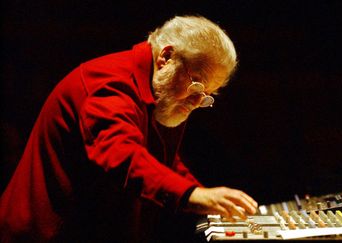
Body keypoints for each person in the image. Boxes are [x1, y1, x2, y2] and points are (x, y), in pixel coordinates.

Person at [0, 15, 258, 242]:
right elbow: (121, 156)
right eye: (197, 87)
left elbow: (158, 160)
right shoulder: (111, 83)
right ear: (166, 57)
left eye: (207, 96)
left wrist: (204, 198)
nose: (196, 103)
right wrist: (194, 195)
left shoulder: (155, 90)